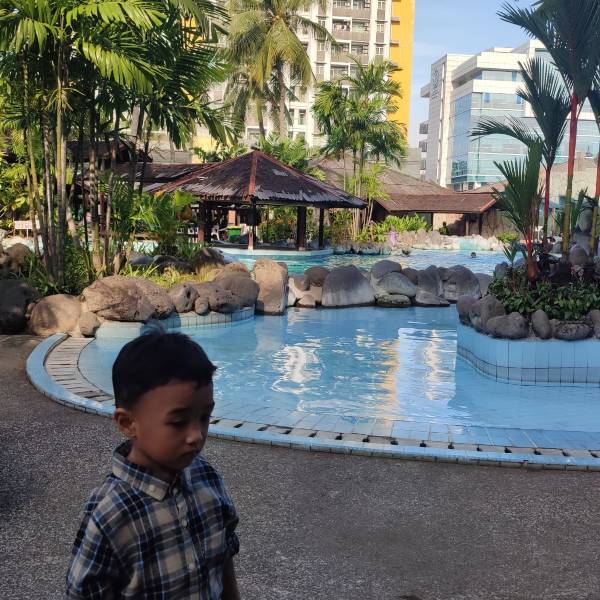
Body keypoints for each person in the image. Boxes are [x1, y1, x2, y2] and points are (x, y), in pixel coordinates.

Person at [66, 332, 240, 599]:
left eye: (205, 417)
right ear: (128, 423)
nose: (197, 435)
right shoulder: (110, 514)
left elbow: (224, 557)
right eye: (178, 422)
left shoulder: (207, 477)